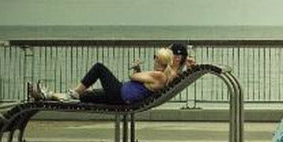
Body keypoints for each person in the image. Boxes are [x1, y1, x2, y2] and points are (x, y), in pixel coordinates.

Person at [29, 47, 175, 105]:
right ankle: (48, 95)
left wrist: (136, 69)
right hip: (121, 96)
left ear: (159, 60)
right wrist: (138, 69)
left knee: (99, 67)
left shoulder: (159, 75)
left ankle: (75, 91)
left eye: (154, 57)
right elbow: (139, 80)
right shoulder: (160, 76)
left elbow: (132, 77)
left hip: (119, 94)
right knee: (86, 96)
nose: (153, 59)